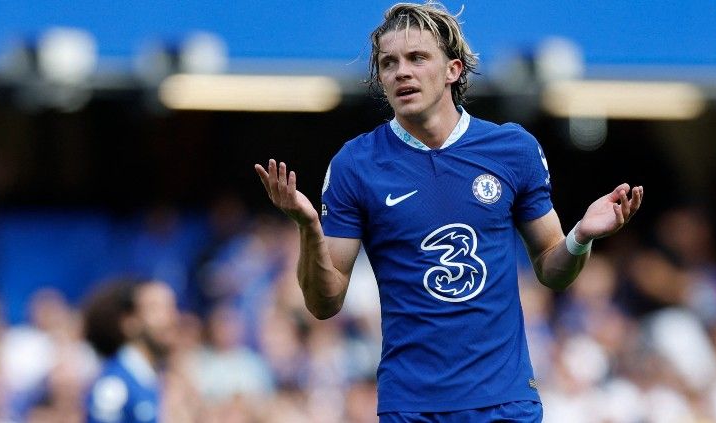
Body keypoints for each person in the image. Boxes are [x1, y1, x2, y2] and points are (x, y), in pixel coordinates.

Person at [254, 1, 643, 421]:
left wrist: (580, 236)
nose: (401, 71)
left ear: (453, 70)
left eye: (417, 58)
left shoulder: (512, 149)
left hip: (504, 402)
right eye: (389, 63)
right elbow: (323, 302)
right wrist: (308, 227)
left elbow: (553, 269)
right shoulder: (356, 164)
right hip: (412, 405)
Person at [82, 279, 178, 423]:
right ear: (129, 323)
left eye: (172, 307)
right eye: (156, 309)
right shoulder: (114, 385)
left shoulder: (158, 379)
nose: (171, 318)